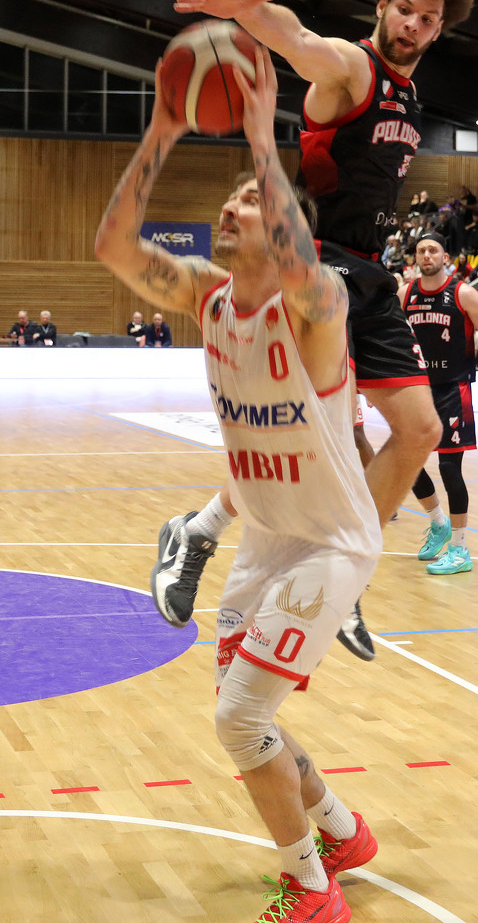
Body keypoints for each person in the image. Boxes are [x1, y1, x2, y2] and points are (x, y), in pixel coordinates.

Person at [95, 47, 382, 923]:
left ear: (288, 224)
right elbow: (111, 246)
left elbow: (300, 266)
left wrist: (265, 133)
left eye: (251, 198)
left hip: (331, 545)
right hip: (266, 543)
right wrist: (163, 126)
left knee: (237, 721)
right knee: (242, 710)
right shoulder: (209, 297)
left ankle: (310, 890)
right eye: (232, 196)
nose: (230, 204)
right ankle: (341, 832)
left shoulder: (317, 306)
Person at [161, 0, 475, 658]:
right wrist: (247, 14)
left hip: (369, 273)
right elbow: (301, 42)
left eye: (428, 19)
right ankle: (198, 533)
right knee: (306, 441)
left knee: (419, 431)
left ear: (438, 29)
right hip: (313, 269)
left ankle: (341, 565)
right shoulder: (353, 68)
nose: (414, 25)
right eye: (404, 10)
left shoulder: (409, 95)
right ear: (382, 6)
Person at [398, 234, 478, 574]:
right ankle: (438, 522)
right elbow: (394, 341)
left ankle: (460, 550)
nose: (427, 255)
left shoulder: (463, 293)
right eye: (421, 250)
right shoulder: (405, 294)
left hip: (453, 388)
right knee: (405, 462)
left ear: (445, 257)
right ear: (415, 258)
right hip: (418, 388)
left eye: (433, 250)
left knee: (450, 468)